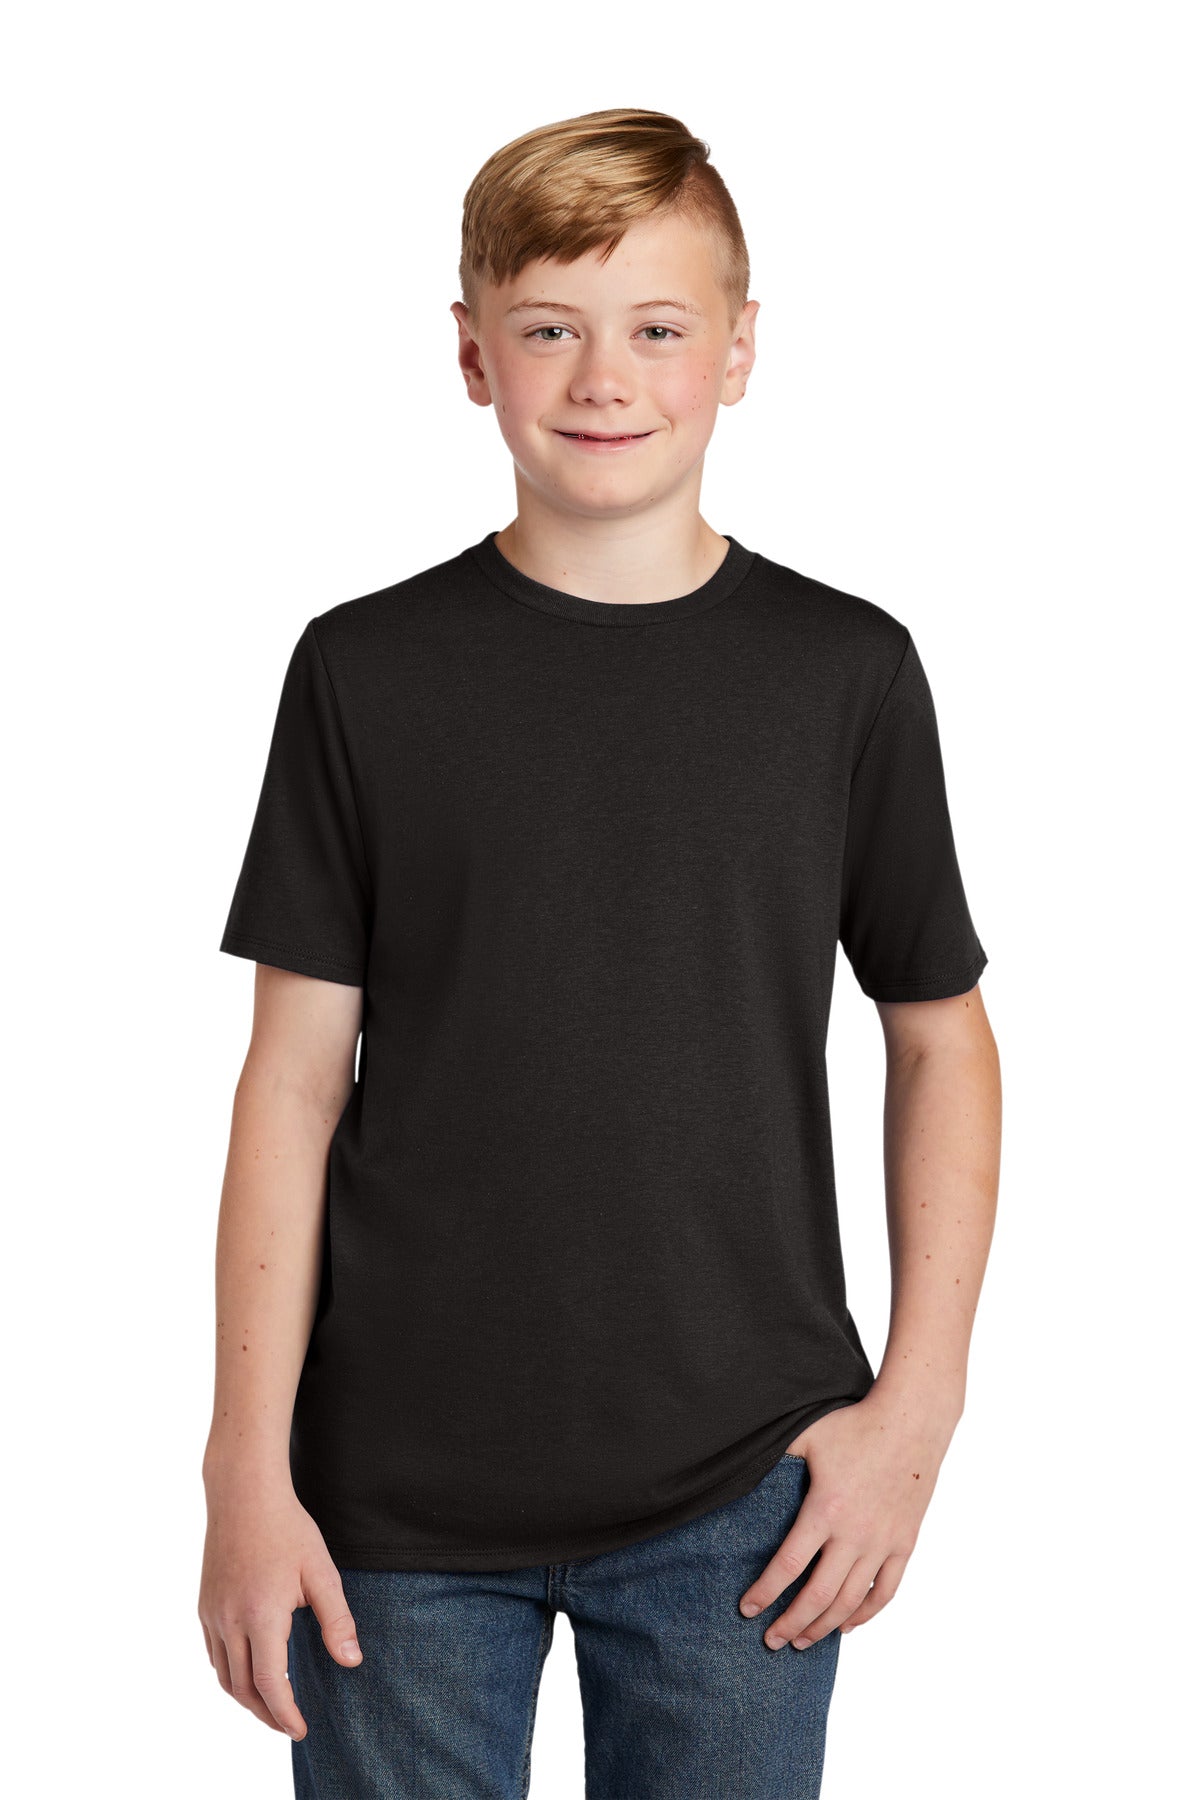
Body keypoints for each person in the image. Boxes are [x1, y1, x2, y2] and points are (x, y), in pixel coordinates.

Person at [199, 106, 1002, 1799]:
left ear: (740, 348)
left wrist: (915, 1415)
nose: (604, 378)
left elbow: (941, 1035)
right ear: (473, 355)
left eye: (657, 329)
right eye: (551, 329)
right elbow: (292, 1084)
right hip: (391, 1496)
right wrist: (243, 1474)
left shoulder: (844, 673)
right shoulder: (363, 671)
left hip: (746, 1489)